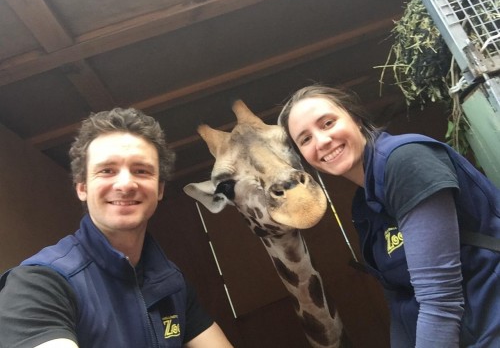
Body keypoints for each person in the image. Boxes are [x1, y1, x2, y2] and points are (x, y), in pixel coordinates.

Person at [278, 85, 500, 347]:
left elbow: (440, 299)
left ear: (356, 120)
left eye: (327, 123)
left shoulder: (405, 161)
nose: (321, 141)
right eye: (305, 139)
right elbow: (400, 303)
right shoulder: (364, 207)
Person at [0, 108, 233, 348]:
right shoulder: (38, 284)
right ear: (82, 188)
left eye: (141, 171)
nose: (125, 184)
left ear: (160, 189)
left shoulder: (172, 283)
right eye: (106, 170)